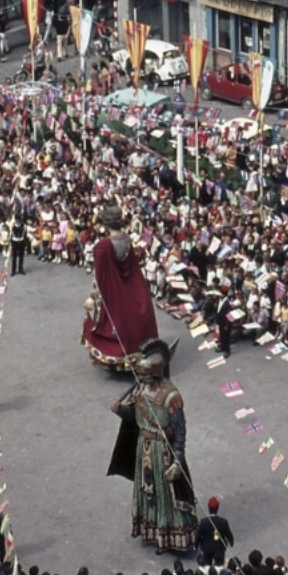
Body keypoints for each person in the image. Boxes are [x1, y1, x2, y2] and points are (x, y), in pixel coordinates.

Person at [108, 339, 197, 554]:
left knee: (166, 494)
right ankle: (151, 531)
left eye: (145, 374)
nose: (141, 378)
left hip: (163, 453)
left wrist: (177, 461)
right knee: (148, 491)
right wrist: (120, 410)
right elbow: (133, 417)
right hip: (144, 448)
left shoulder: (171, 397)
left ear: (156, 373)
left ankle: (169, 536)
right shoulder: (139, 391)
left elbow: (180, 432)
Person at [82, 206, 159, 370]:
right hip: (130, 285)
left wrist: (93, 295)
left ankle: (116, 358)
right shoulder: (127, 239)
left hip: (113, 289)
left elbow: (100, 276)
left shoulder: (102, 247)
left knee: (109, 319)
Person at [195, 497, 234, 565]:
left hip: (207, 547)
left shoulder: (203, 522)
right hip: (219, 547)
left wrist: (196, 545)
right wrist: (231, 542)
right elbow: (228, 534)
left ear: (208, 508)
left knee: (207, 564)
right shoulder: (223, 522)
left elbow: (198, 535)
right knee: (219, 565)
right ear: (217, 508)